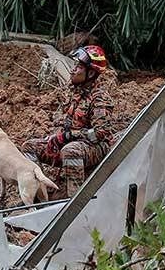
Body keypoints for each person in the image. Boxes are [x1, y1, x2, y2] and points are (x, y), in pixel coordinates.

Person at [38, 45, 114, 195]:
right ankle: (40, 193)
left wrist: (68, 136)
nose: (73, 70)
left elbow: (99, 133)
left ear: (90, 73)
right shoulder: (74, 91)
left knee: (70, 151)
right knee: (29, 147)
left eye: (78, 67)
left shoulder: (100, 98)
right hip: (69, 142)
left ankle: (74, 198)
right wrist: (55, 137)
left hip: (95, 147)